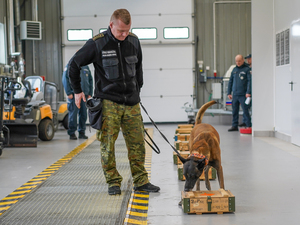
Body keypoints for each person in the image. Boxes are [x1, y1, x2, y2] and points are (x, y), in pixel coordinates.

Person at [67, 8, 160, 195]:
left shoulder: (133, 40)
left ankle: (141, 181)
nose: (124, 35)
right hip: (109, 102)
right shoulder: (98, 43)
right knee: (107, 145)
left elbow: (138, 68)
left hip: (131, 102)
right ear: (111, 25)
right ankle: (113, 182)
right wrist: (77, 91)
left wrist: (137, 90)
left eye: (127, 30)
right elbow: (74, 64)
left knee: (137, 143)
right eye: (120, 31)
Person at [62, 64, 93, 140]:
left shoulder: (85, 67)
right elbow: (65, 79)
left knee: (83, 114)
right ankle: (72, 133)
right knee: (73, 114)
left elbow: (90, 79)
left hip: (84, 95)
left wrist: (90, 92)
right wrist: (68, 92)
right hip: (74, 94)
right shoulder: (70, 65)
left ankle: (82, 132)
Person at [227, 54, 252, 131]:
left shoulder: (247, 69)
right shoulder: (234, 70)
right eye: (236, 61)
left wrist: (248, 92)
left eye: (239, 61)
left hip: (243, 94)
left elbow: (249, 81)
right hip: (235, 94)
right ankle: (234, 125)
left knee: (245, 110)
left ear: (242, 60)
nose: (238, 63)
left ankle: (248, 125)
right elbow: (230, 81)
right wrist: (229, 92)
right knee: (234, 111)